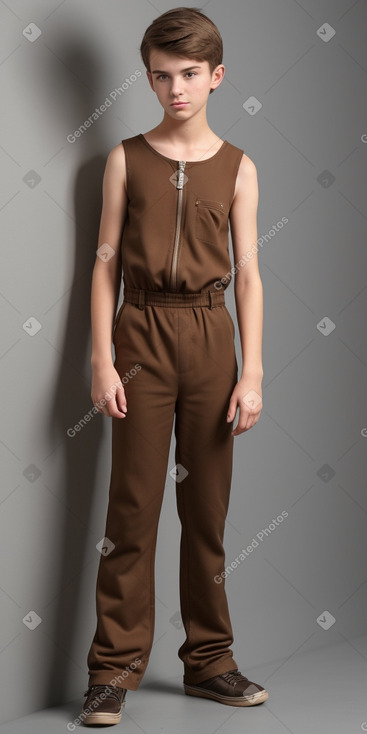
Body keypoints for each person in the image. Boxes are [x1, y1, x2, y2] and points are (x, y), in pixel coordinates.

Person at [80, 6, 267, 727]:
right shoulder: (125, 158)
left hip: (212, 340)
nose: (175, 89)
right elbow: (102, 268)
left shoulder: (239, 167)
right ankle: (111, 671)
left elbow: (248, 276)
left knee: (206, 514)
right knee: (131, 510)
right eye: (161, 76)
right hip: (140, 336)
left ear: (215, 77)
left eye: (189, 75)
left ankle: (209, 662)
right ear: (149, 78)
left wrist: (251, 374)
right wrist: (103, 360)